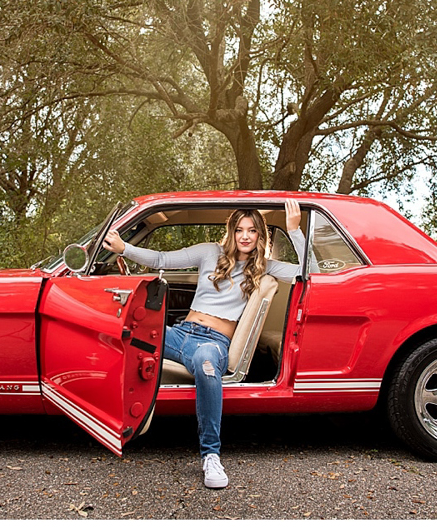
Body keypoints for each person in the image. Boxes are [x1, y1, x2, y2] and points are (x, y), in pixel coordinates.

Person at [102, 199, 316, 489]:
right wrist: (125, 248)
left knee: (207, 369)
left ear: (259, 236)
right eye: (239, 229)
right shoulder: (209, 253)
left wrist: (295, 231)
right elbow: (162, 260)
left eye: (252, 231)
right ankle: (106, 418)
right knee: (123, 334)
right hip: (180, 333)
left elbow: (311, 272)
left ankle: (211, 455)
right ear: (231, 231)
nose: (244, 236)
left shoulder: (265, 266)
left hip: (212, 343)